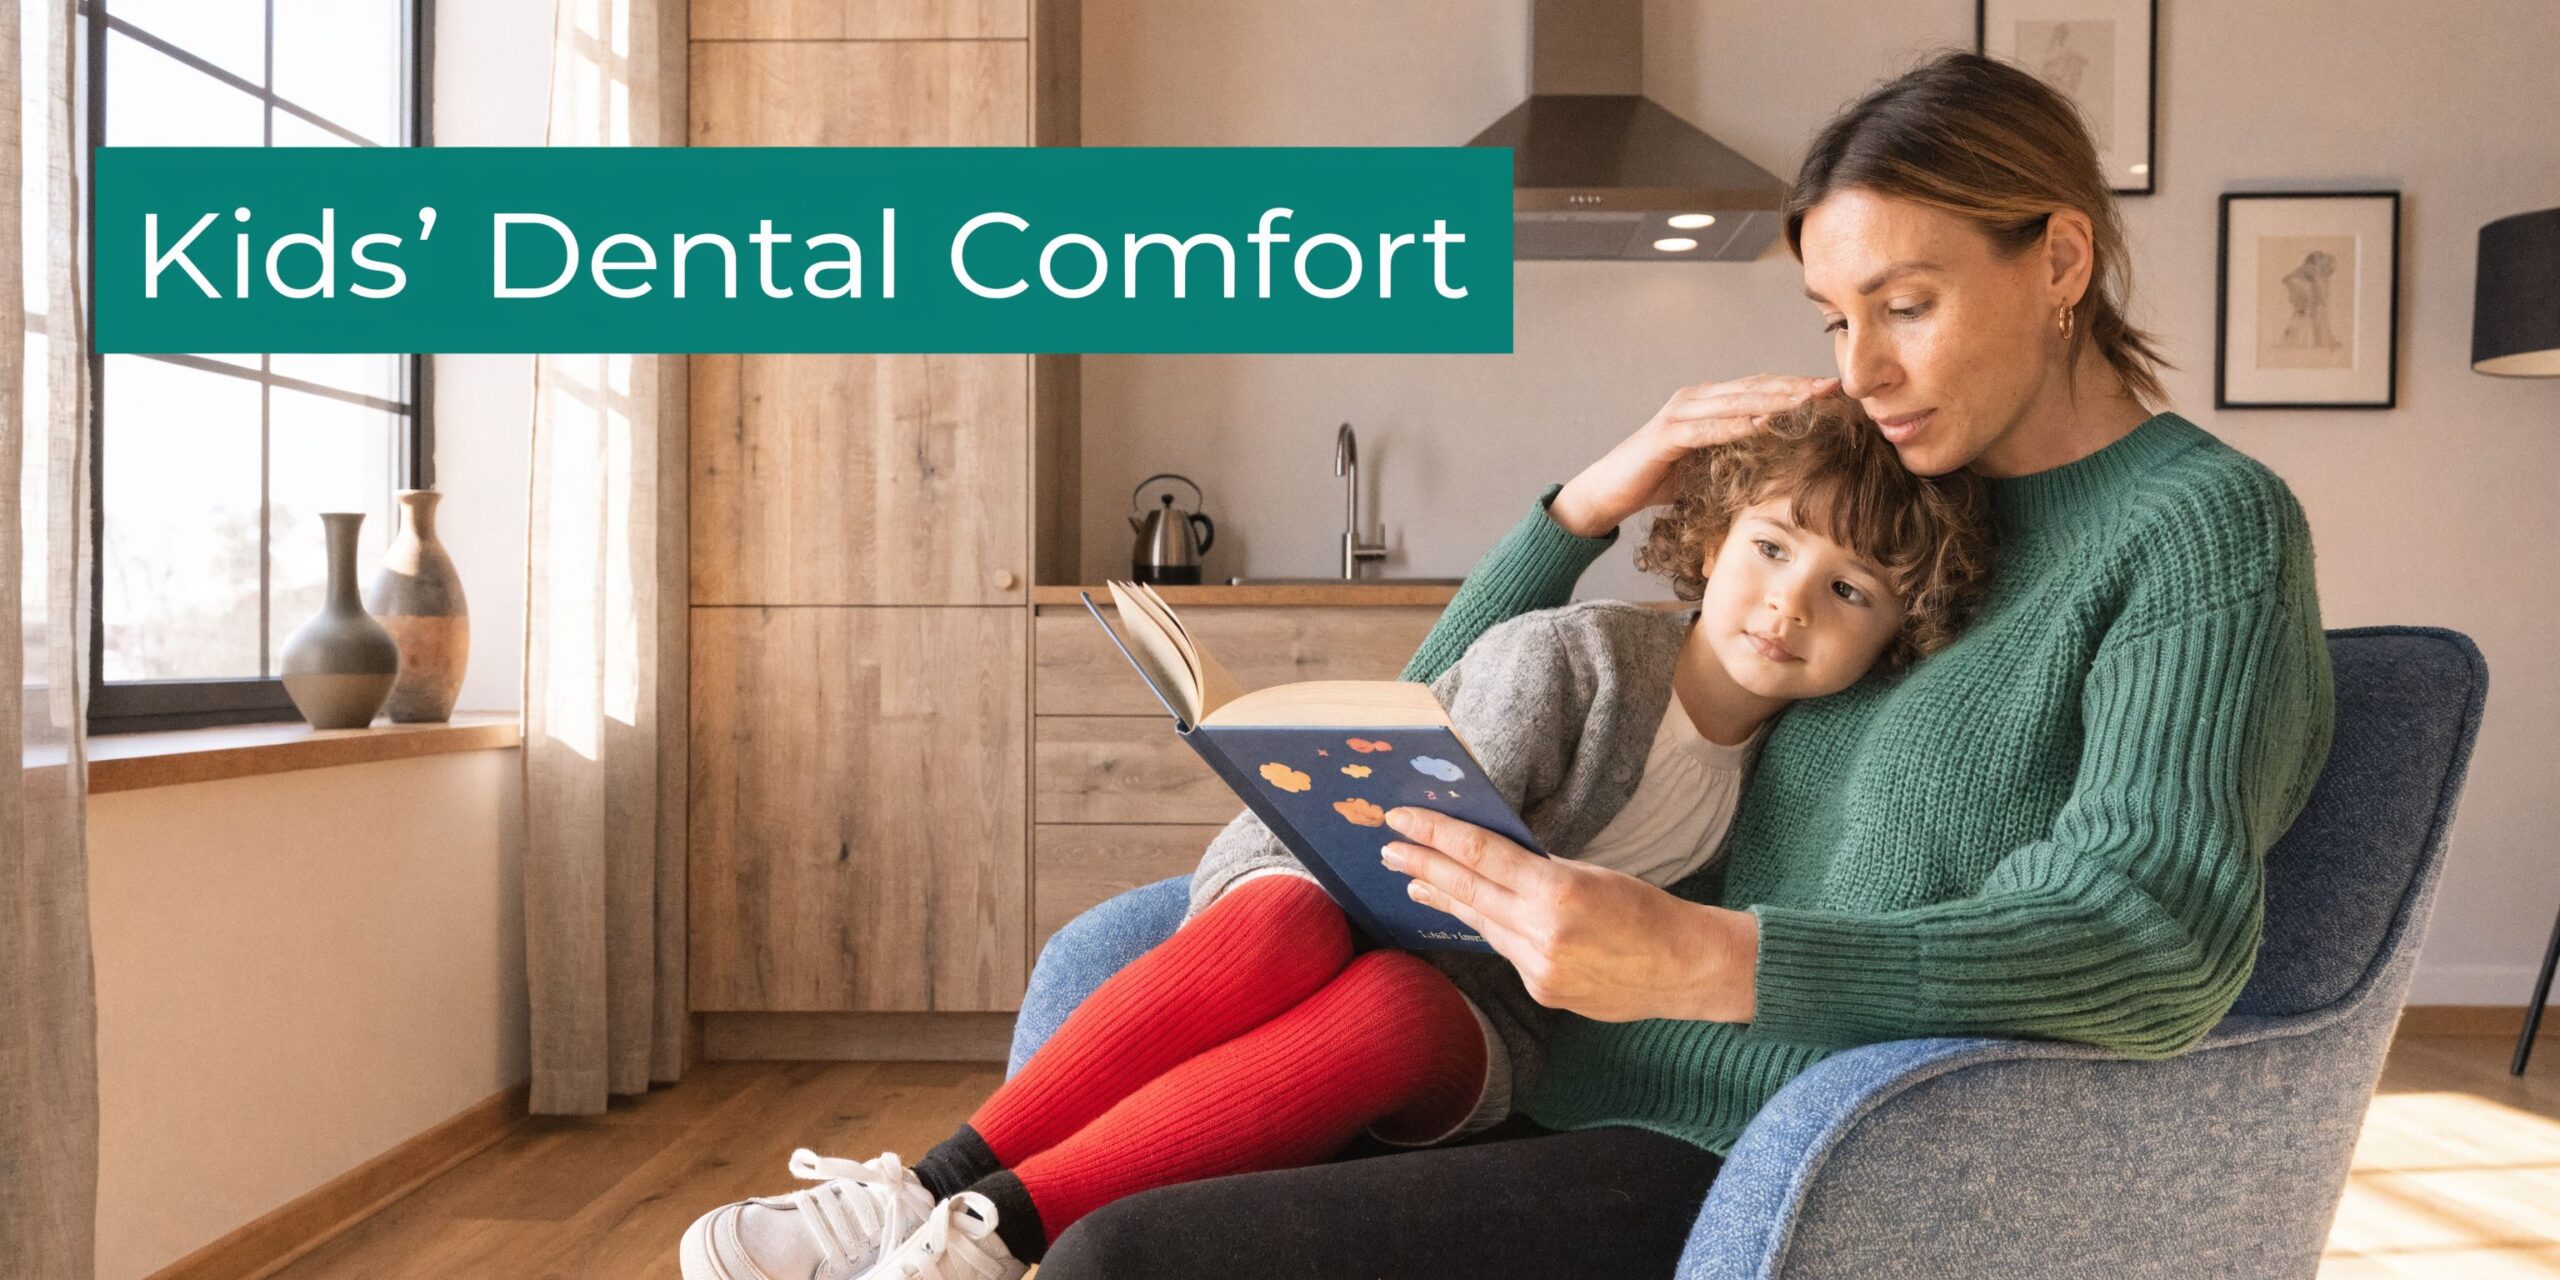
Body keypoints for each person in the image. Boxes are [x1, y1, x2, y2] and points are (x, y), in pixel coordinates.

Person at [1011, 50, 2334, 1278]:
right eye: (1832, 319)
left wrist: (1711, 960)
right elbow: (1436, 735)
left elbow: (2156, 935)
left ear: (2060, 261)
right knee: (1086, 1199)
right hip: (1542, 1068)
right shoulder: (1882, 481)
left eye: (1908, 307)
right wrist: (1577, 515)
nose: (1863, 369)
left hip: (1762, 1151)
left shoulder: (2201, 530)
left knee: (1120, 1261)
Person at [677, 395, 1995, 1280]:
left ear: (1892, 630)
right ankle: (924, 1190)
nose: (1787, 604)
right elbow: (1380, 795)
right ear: (1711, 543)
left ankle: (985, 1234)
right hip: (1321, 897)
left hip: (1471, 1017)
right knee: (1310, 926)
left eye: (1848, 591)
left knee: (1397, 1015)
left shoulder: (1806, 773)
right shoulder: (1572, 661)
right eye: (1769, 549)